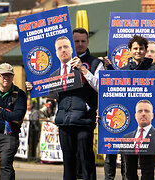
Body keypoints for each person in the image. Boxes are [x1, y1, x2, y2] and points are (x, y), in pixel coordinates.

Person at [27, 27, 104, 180]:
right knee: (68, 163)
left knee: (86, 161)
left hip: (84, 120)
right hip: (64, 120)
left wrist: (83, 69)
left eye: (83, 41)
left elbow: (102, 88)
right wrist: (35, 89)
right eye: (76, 41)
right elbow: (55, 94)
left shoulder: (96, 63)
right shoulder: (59, 68)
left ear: (88, 42)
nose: (80, 44)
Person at [121, 35, 155, 180]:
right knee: (129, 169)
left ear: (146, 50)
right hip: (128, 127)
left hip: (149, 127)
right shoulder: (122, 71)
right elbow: (115, 95)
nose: (138, 51)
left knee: (148, 169)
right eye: (135, 48)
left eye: (141, 48)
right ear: (130, 50)